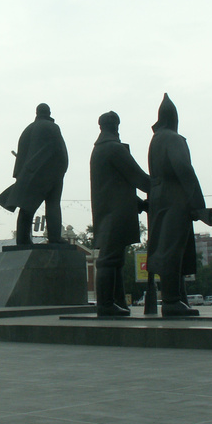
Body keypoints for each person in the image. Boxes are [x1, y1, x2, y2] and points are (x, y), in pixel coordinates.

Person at [147, 94, 212, 317]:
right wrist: (198, 204)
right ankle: (171, 301)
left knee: (170, 247)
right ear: (174, 118)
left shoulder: (156, 139)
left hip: (159, 197)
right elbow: (184, 169)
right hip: (175, 198)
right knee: (172, 250)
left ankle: (178, 298)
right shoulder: (174, 138)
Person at [90, 112, 150, 317]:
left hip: (109, 210)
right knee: (109, 259)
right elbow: (139, 178)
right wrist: (162, 187)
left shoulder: (100, 149)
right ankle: (106, 304)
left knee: (115, 259)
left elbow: (116, 185)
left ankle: (117, 301)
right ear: (116, 126)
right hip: (115, 212)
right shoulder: (113, 148)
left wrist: (139, 203)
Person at [0, 103, 69, 245]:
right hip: (51, 173)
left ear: (37, 113)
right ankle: (54, 238)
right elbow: (60, 150)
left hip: (29, 174)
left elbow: (21, 156)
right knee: (53, 204)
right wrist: (61, 170)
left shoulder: (27, 130)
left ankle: (22, 240)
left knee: (26, 207)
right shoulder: (52, 127)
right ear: (49, 113)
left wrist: (20, 177)